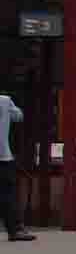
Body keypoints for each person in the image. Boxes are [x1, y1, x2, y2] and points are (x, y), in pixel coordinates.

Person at [0, 90, 31, 241]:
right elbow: (18, 116)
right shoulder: (5, 101)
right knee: (7, 195)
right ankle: (15, 230)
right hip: (3, 156)